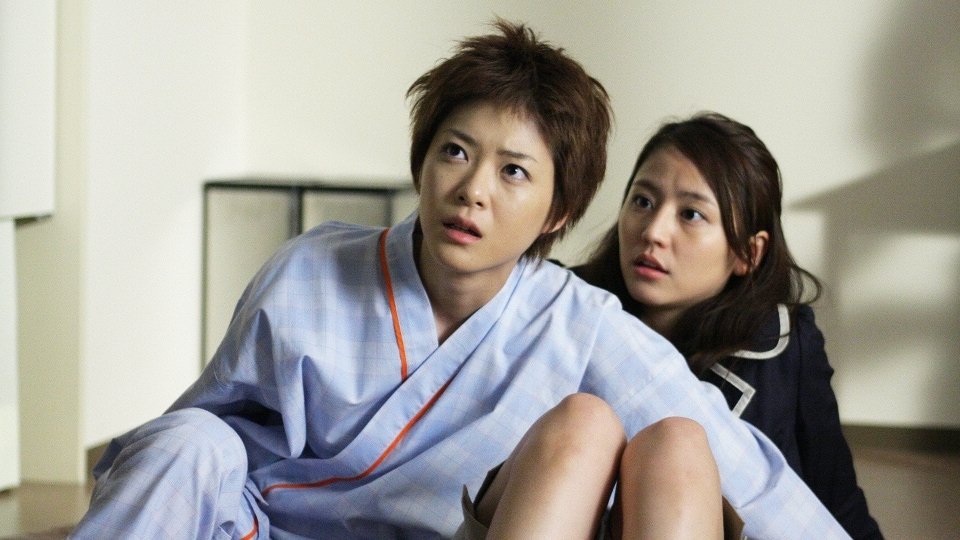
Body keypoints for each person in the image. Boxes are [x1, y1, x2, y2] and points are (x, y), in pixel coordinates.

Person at [71, 23, 848, 539]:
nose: (473, 189)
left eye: (514, 172)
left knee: (616, 428)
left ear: (558, 211)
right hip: (273, 526)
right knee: (187, 440)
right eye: (455, 151)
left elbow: (742, 467)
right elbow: (205, 425)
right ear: (423, 161)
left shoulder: (579, 324)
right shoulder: (308, 272)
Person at [574, 111, 882, 539]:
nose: (654, 231)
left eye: (691, 214)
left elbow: (834, 496)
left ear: (748, 254)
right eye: (642, 201)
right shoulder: (567, 305)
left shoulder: (788, 344)